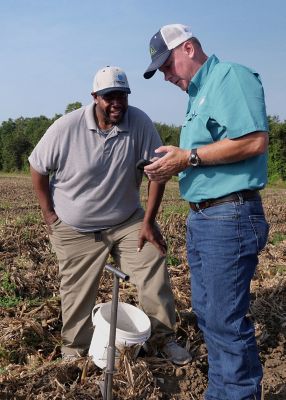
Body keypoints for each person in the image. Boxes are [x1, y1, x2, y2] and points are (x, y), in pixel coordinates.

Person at [28, 66, 191, 366]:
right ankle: (75, 351)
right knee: (76, 292)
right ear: (95, 98)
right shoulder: (67, 127)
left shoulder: (139, 123)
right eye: (109, 96)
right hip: (76, 227)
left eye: (122, 96)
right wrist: (49, 214)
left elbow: (157, 173)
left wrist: (149, 221)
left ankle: (163, 338)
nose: (117, 103)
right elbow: (37, 167)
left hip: (126, 221)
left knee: (152, 263)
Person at [143, 24, 269, 399]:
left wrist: (189, 157)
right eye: (160, 71)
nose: (165, 75)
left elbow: (253, 140)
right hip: (206, 217)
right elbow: (204, 154)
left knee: (225, 323)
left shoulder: (229, 76)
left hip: (228, 215)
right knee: (210, 317)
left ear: (190, 48)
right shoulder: (196, 95)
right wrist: (176, 161)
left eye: (167, 65)